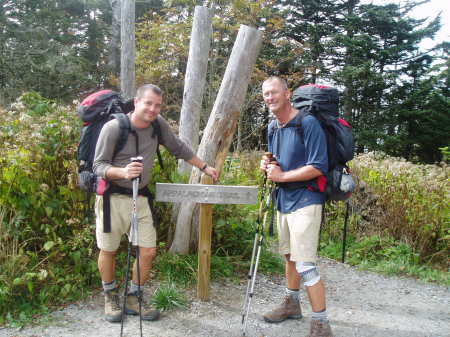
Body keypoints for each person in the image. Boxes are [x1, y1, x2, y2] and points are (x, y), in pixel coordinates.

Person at [93, 84, 219, 323]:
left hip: (140, 198)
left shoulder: (157, 125)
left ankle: (133, 297)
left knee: (148, 251)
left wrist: (204, 166)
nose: (153, 109)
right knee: (109, 249)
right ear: (137, 102)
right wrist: (123, 171)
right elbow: (97, 166)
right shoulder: (113, 128)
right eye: (148, 103)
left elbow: (178, 147)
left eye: (157, 105)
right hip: (111, 200)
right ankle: (110, 296)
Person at [260, 77, 333, 337]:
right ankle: (292, 304)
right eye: (266, 94)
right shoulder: (273, 126)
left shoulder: (307, 123)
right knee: (289, 257)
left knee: (305, 264)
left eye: (275, 92)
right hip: (285, 200)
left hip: (306, 199)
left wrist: (281, 177)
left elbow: (318, 166)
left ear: (287, 94)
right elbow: (280, 160)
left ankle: (322, 324)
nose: (270, 98)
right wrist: (269, 165)